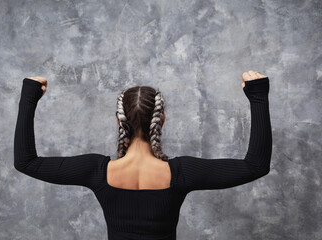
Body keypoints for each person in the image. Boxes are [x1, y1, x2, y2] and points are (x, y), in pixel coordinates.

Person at [14, 70, 272, 240]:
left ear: (118, 121)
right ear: (161, 121)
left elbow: (26, 162)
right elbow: (256, 166)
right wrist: (258, 96)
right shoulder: (181, 173)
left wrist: (29, 97)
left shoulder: (96, 171)